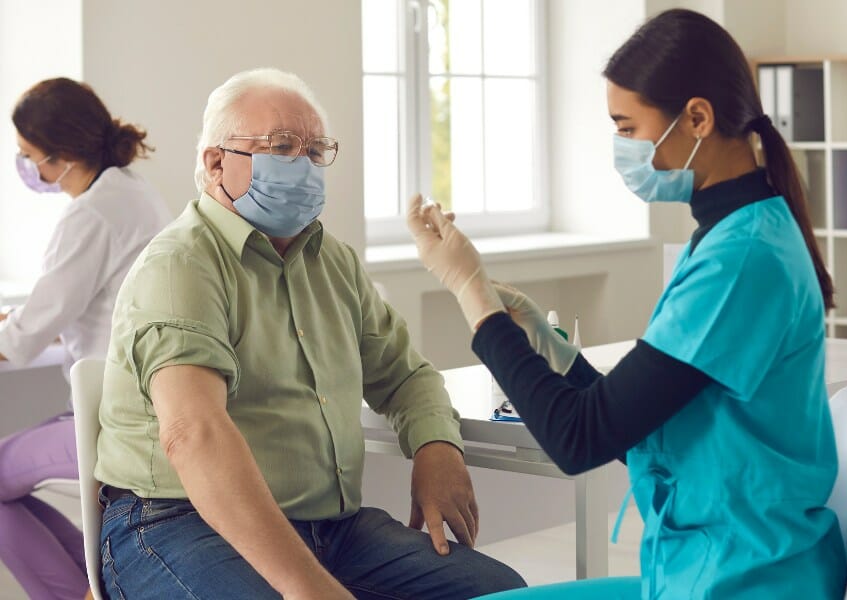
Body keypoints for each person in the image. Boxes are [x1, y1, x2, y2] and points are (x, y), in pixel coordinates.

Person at [408, 9, 847, 600]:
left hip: (745, 579)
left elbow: (579, 440)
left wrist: (473, 297)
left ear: (696, 117)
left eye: (627, 127)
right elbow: (630, 423)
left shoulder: (739, 258)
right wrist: (546, 342)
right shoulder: (735, 235)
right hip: (710, 566)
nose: (620, 148)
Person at [93, 67, 525, 600]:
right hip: (176, 523)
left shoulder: (333, 261)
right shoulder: (181, 264)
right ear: (215, 163)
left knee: (502, 592)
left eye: (317, 150)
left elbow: (406, 375)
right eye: (280, 146)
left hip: (331, 528)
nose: (303, 164)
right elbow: (194, 434)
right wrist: (308, 588)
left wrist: (437, 449)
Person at [0, 78, 170, 599]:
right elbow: (73, 303)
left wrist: (15, 327)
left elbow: (24, 340)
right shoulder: (132, 191)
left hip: (113, 420)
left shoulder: (91, 214)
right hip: (137, 404)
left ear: (65, 153)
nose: (29, 169)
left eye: (32, 157)